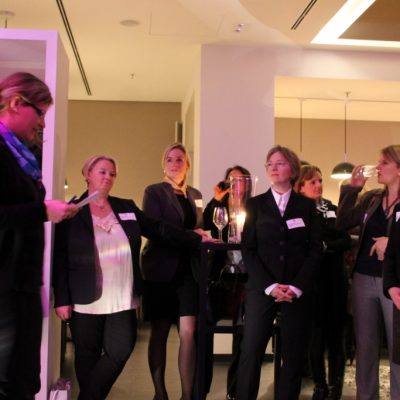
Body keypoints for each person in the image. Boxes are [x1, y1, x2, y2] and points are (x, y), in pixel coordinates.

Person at [53, 154, 210, 400]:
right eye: (102, 172)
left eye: (112, 173)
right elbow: (60, 259)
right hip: (85, 300)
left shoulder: (125, 207)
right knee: (87, 358)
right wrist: (62, 299)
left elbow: (159, 229)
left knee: (120, 350)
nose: (108, 177)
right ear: (88, 174)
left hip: (122, 298)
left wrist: (195, 237)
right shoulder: (72, 212)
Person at [0, 72, 77, 400]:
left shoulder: (24, 157)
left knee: (25, 380)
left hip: (24, 286)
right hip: (5, 289)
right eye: (41, 113)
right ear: (16, 103)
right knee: (10, 382)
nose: (43, 123)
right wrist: (43, 210)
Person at [237, 145, 322, 400]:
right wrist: (270, 286)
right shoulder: (255, 204)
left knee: (293, 356)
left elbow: (315, 250)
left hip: (297, 290)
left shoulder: (307, 206)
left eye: (280, 163)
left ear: (293, 169)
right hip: (262, 289)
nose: (273, 168)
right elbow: (248, 249)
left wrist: (296, 287)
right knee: (251, 351)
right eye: (270, 164)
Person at [336, 144, 400, 399]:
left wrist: (391, 243)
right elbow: (343, 222)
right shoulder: (372, 198)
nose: (378, 167)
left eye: (384, 162)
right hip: (363, 278)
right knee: (365, 347)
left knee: (397, 348)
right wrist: (352, 189)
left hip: (394, 282)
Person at [141, 143, 203, 400]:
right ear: (163, 164)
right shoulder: (154, 191)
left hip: (189, 270)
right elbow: (154, 228)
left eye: (180, 159)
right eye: (170, 159)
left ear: (187, 164)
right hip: (160, 269)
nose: (175, 163)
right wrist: (192, 236)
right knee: (160, 331)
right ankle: (160, 393)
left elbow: (201, 227)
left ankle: (187, 395)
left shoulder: (195, 194)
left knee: (189, 332)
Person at [295, 165, 351, 400]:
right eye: (312, 182)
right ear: (300, 187)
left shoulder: (333, 209)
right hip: (312, 282)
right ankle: (320, 386)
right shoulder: (297, 211)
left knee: (337, 337)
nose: (318, 185)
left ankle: (336, 387)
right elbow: (306, 241)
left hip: (336, 280)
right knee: (315, 338)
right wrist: (326, 241)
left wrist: (325, 243)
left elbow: (345, 239)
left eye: (320, 180)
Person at [203, 165, 251, 400]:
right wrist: (216, 198)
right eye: (231, 180)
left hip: (246, 279)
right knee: (205, 329)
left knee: (243, 335)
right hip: (221, 278)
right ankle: (201, 389)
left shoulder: (254, 208)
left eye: (240, 180)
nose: (235, 184)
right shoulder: (219, 207)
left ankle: (235, 391)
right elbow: (206, 225)